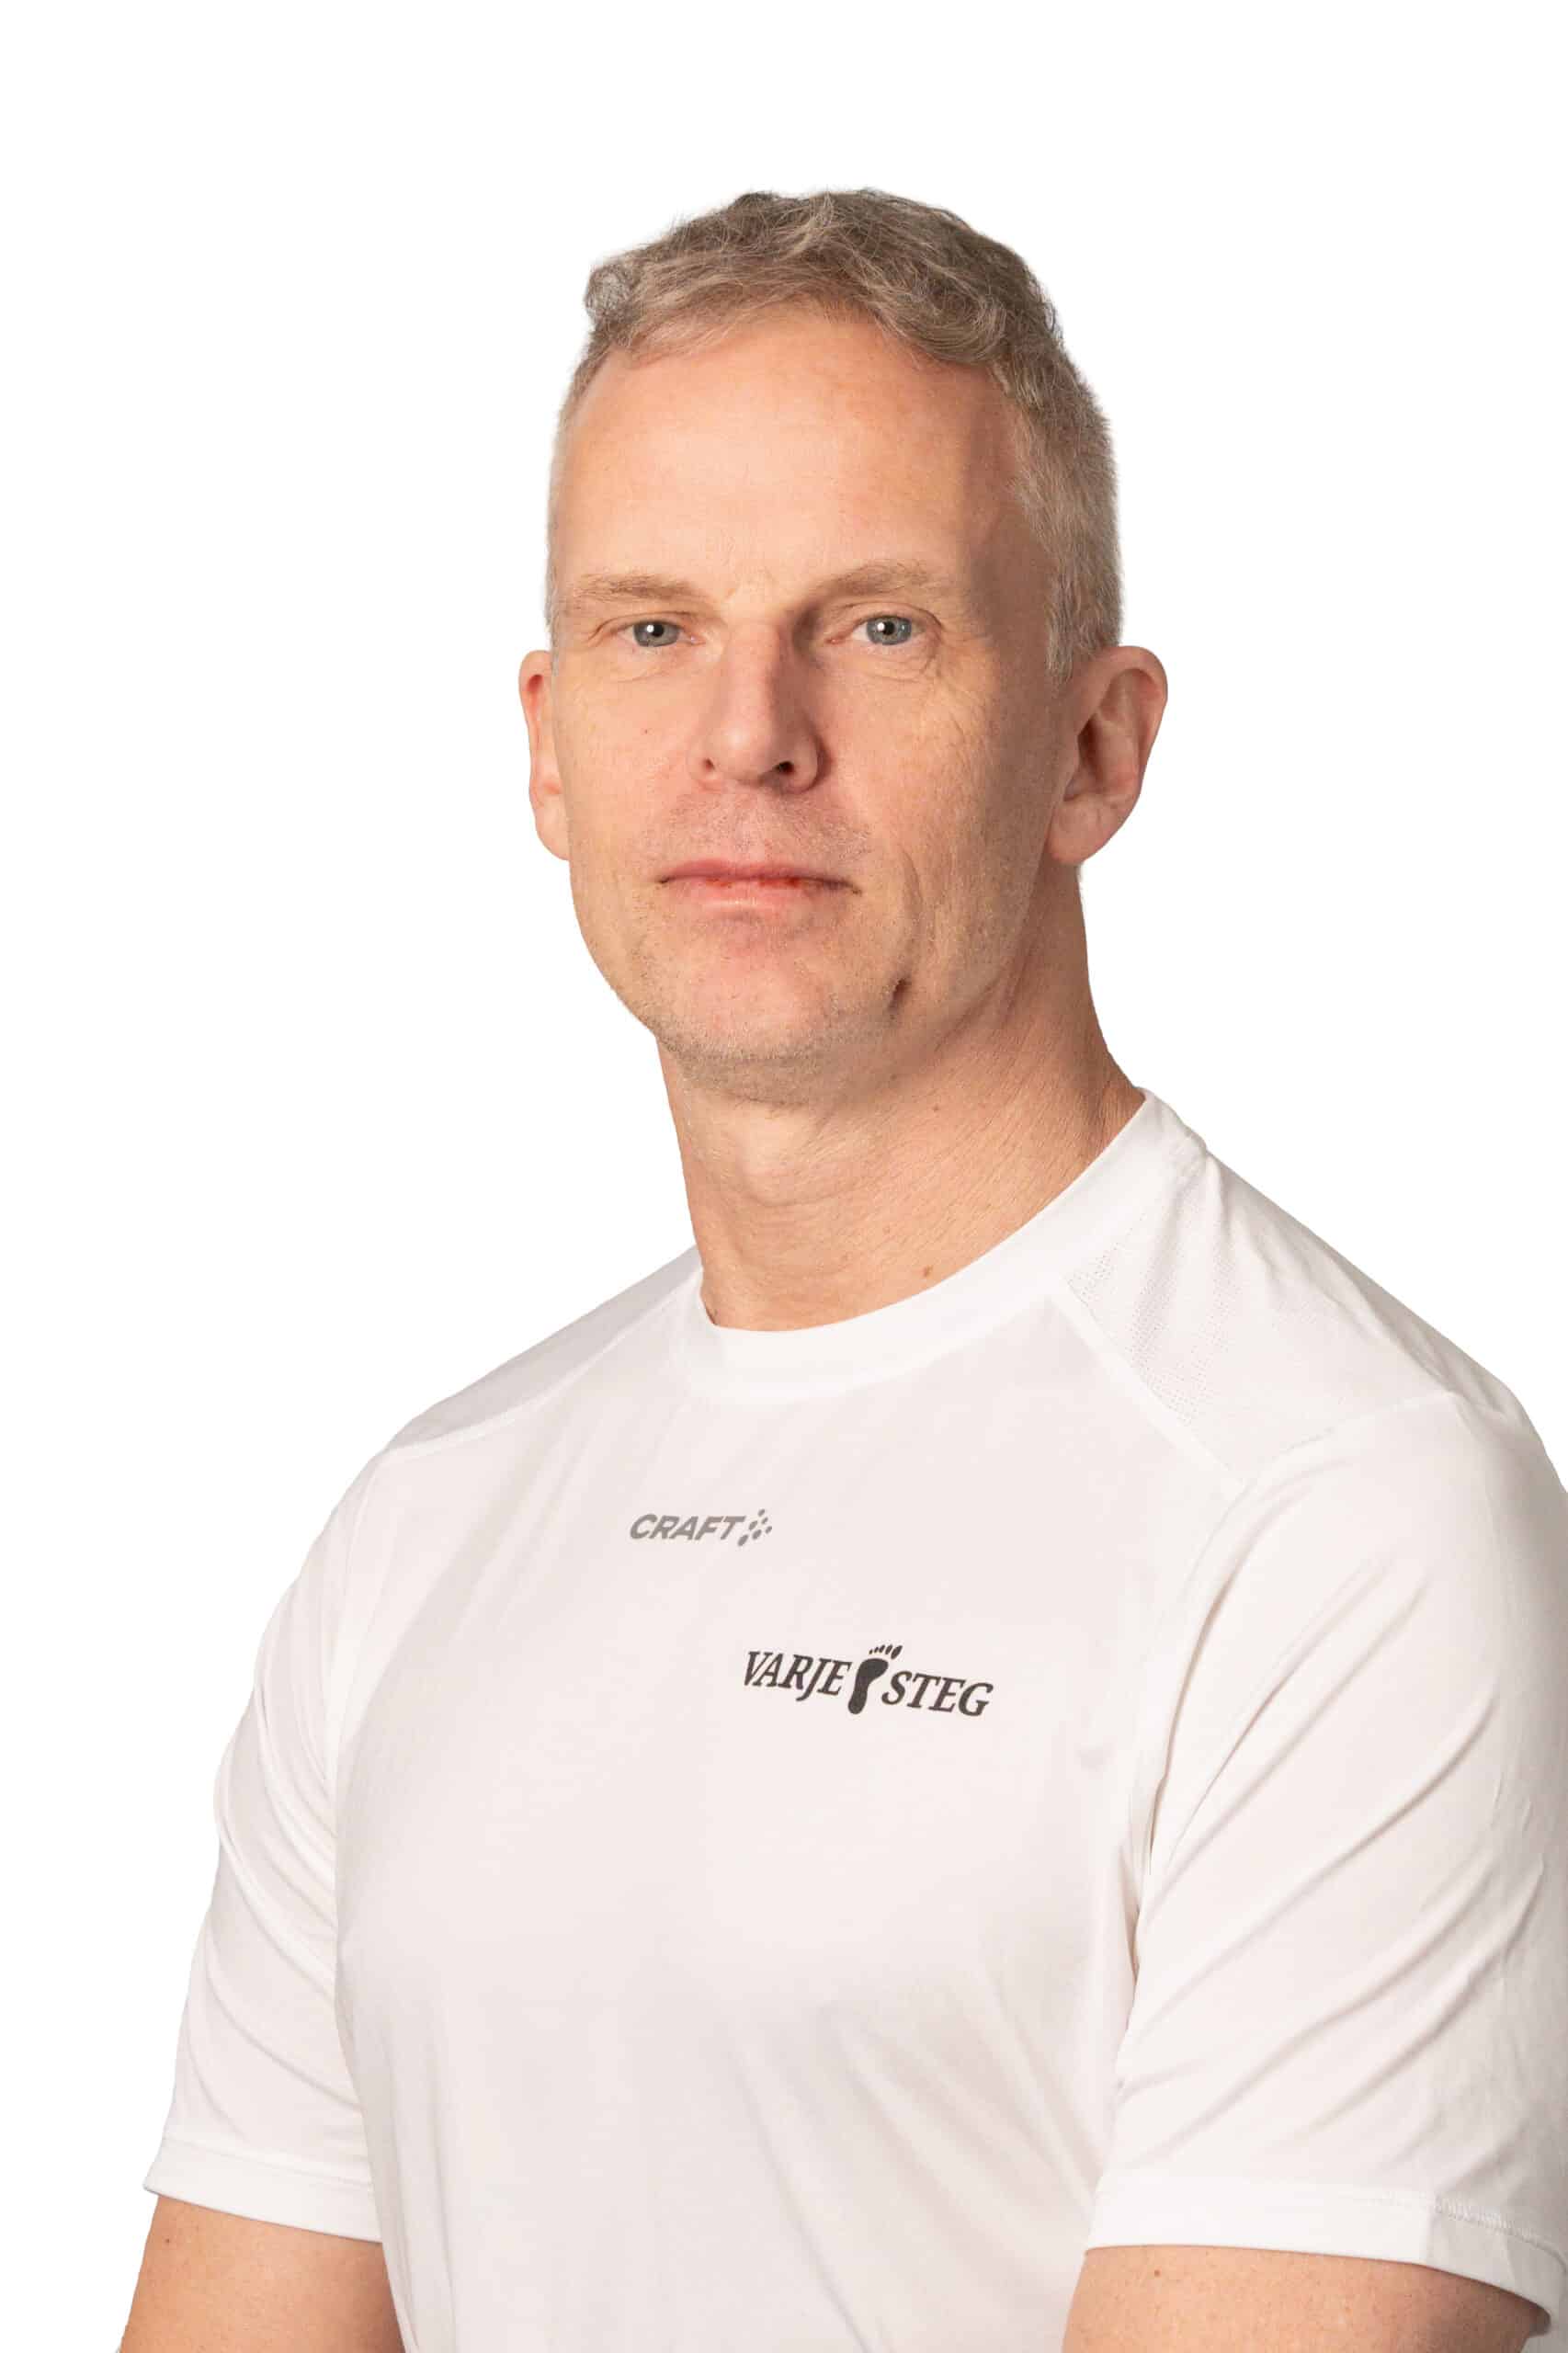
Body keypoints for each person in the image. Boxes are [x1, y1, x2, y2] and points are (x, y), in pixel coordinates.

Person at [120, 188, 1565, 2353]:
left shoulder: (1341, 1508)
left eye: (879, 626)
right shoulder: (425, 1521)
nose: (748, 733)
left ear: (1093, 745)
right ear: (544, 743)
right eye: (652, 629)